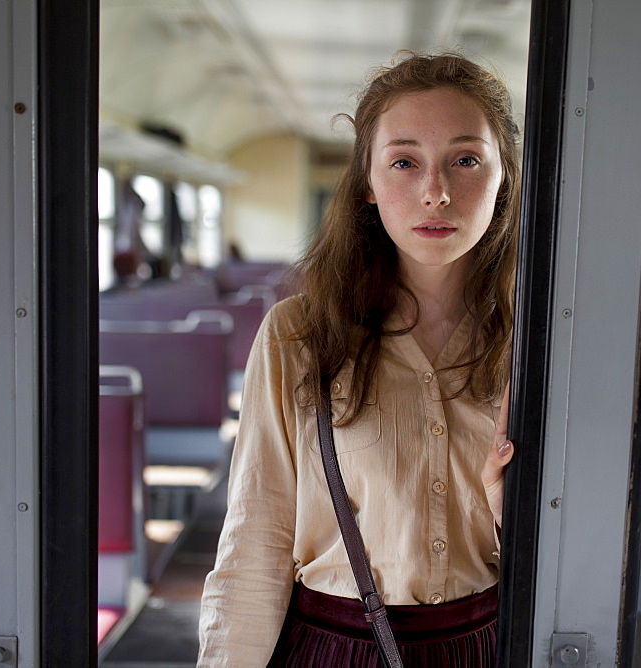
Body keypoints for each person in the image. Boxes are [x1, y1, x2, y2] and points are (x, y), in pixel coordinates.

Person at [198, 51, 519, 666]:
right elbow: (256, 544)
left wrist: (512, 515)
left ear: (502, 176)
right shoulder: (298, 336)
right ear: (369, 184)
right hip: (335, 646)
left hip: (493, 643)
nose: (436, 191)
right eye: (404, 161)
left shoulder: (540, 343)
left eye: (466, 159)